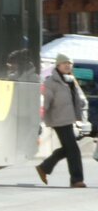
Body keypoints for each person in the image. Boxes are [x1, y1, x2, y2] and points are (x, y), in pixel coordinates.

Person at [37, 52, 88, 188]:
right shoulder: (50, 82)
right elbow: (44, 103)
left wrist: (81, 118)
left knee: (68, 148)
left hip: (70, 119)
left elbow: (78, 100)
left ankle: (44, 167)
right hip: (58, 119)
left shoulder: (70, 81)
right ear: (58, 65)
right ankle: (77, 180)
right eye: (65, 63)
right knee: (74, 150)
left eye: (69, 63)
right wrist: (39, 121)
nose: (67, 66)